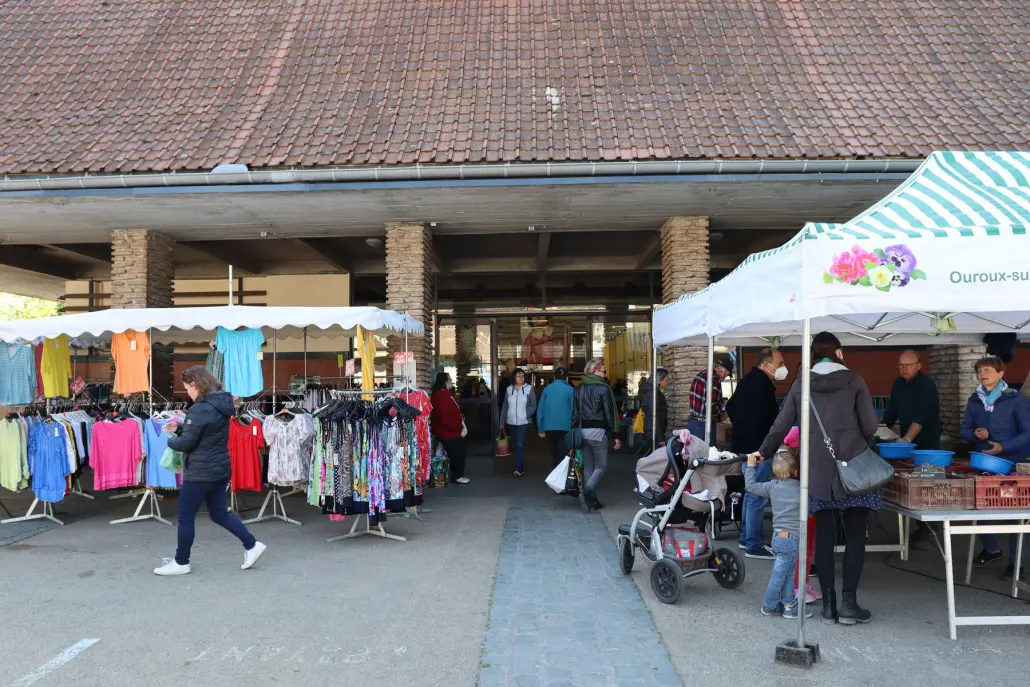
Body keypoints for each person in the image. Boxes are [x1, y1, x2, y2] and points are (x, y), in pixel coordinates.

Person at [756, 332, 879, 625]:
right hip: (854, 467)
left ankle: (829, 607)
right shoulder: (855, 380)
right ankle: (849, 605)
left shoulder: (802, 383)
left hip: (818, 470)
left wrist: (764, 452)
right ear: (839, 352)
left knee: (824, 536)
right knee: (855, 537)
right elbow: (871, 426)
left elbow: (781, 424)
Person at [154, 366, 266, 576]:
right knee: (219, 513)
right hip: (219, 468)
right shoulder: (220, 404)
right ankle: (252, 545)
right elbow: (205, 433)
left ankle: (181, 562)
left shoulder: (200, 408)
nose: (188, 392)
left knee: (185, 516)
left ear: (195, 384)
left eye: (187, 388)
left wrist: (169, 441)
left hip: (200, 471)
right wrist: (180, 428)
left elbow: (187, 443)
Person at [961, 356, 1030, 573]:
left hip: (1013, 464)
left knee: (1015, 515)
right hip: (984, 463)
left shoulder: (1016, 399)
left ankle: (1016, 564)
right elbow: (964, 429)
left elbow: (1028, 432)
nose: (983, 374)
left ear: (1001, 374)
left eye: (988, 370)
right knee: (982, 507)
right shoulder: (974, 400)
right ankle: (991, 549)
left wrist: (1004, 447)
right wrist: (975, 434)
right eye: (980, 371)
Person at [726, 349, 786, 560]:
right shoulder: (763, 385)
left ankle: (746, 538)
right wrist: (765, 444)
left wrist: (741, 429)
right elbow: (768, 419)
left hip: (746, 446)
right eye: (780, 363)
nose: (782, 368)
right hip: (758, 448)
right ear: (766, 365)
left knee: (750, 491)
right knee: (756, 496)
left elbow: (730, 406)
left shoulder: (747, 381)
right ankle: (753, 543)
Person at [746, 446, 812, 619]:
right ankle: (769, 605)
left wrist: (751, 467)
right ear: (796, 471)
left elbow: (751, 486)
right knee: (780, 575)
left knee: (788, 573)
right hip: (792, 538)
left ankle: (789, 605)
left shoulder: (772, 486)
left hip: (777, 537)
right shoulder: (801, 489)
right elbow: (809, 511)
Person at [573, 358, 622, 511]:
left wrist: (574, 432)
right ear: (595, 371)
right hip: (598, 432)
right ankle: (588, 491)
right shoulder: (604, 389)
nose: (605, 373)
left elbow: (575, 414)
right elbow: (609, 414)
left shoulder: (579, 389)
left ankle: (592, 501)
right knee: (601, 466)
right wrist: (615, 434)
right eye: (603, 371)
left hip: (582, 432)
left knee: (588, 466)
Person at [882, 350, 941, 450]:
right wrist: (881, 430)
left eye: (908, 365)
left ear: (918, 366)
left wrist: (907, 439)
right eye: (901, 365)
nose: (904, 369)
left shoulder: (927, 384)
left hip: (926, 443)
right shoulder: (898, 384)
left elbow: (921, 416)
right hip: (906, 442)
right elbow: (891, 412)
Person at [430, 372, 470, 484]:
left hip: (450, 430)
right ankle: (457, 476)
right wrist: (457, 426)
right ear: (444, 381)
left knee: (457, 452)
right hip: (449, 431)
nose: (450, 381)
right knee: (457, 453)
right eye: (449, 379)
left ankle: (457, 475)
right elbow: (445, 415)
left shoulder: (445, 393)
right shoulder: (441, 395)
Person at [499, 368, 537, 477]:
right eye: (518, 376)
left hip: (523, 422)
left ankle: (518, 469)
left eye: (522, 376)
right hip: (511, 422)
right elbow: (505, 407)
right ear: (514, 377)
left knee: (519, 444)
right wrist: (502, 422)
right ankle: (519, 465)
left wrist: (525, 415)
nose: (521, 378)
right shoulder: (509, 389)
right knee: (515, 445)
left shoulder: (529, 389)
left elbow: (533, 405)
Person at [536, 368, 575, 468]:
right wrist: (574, 425)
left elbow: (540, 410)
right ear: (567, 378)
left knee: (554, 452)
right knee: (562, 452)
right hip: (565, 427)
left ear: (554, 377)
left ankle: (556, 470)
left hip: (549, 427)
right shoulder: (570, 390)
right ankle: (559, 473)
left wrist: (540, 429)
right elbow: (573, 410)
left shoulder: (547, 389)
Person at [688, 358, 733, 441]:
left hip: (693, 422)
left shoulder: (702, 374)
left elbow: (704, 398)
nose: (725, 377)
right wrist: (721, 416)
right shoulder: (714, 380)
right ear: (723, 371)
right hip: (704, 425)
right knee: (707, 449)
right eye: (727, 375)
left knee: (695, 448)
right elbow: (711, 405)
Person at [639, 368, 670, 447]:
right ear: (659, 380)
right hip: (654, 433)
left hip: (655, 432)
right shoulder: (652, 394)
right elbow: (654, 416)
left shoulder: (653, 392)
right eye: (666, 380)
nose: (668, 382)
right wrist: (660, 438)